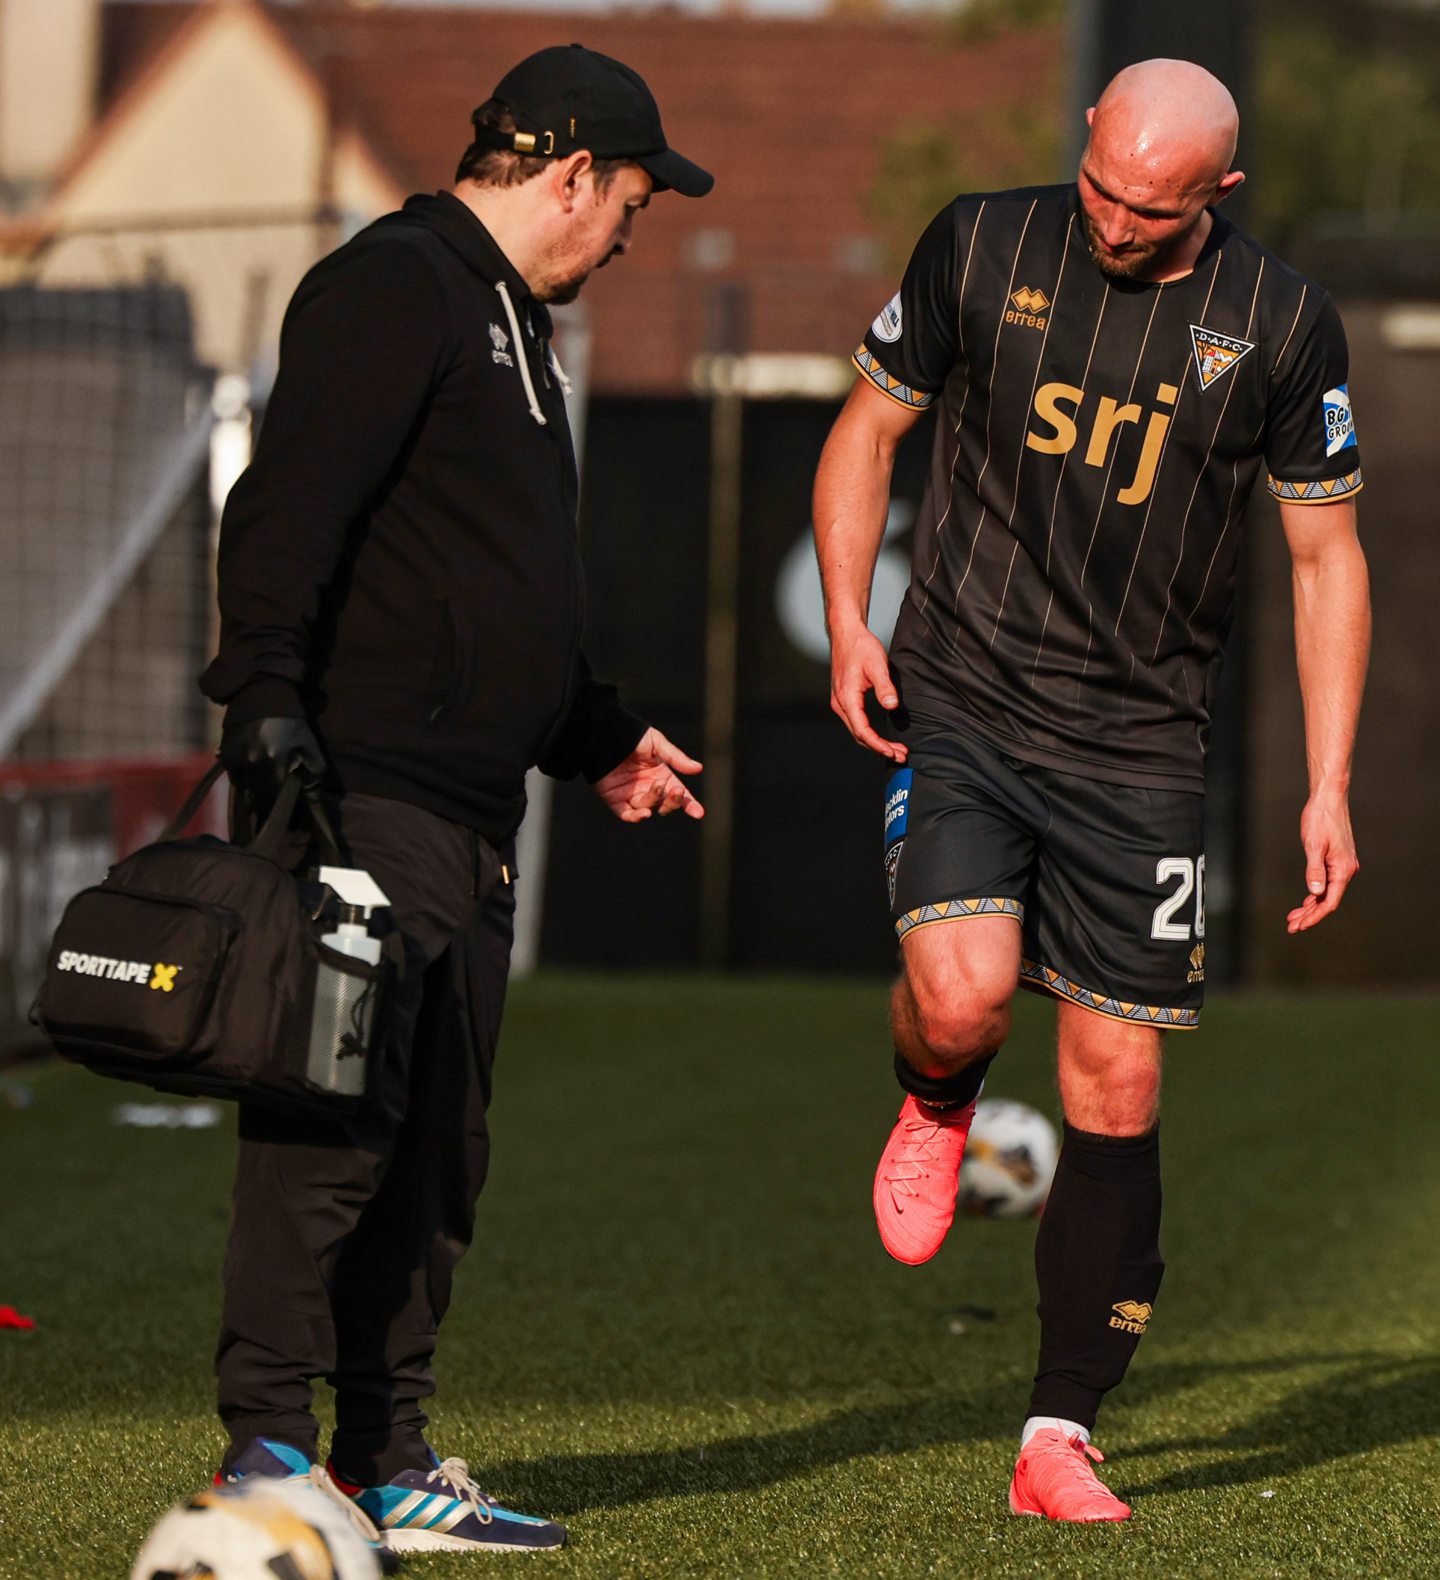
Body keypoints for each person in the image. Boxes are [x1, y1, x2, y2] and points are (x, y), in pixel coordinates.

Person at [812, 59, 1368, 1522]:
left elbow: (1326, 561)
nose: (1116, 220)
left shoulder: (1286, 325)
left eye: (1153, 205)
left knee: (1117, 1078)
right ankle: (937, 1101)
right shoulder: (981, 243)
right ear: (1085, 148)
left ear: (1219, 195)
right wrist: (853, 618)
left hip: (1142, 743)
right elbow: (866, 430)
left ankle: (1059, 1432)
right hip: (969, 696)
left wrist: (1329, 782)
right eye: (1104, 186)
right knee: (965, 997)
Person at [198, 44, 712, 1555]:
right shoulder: (395, 284)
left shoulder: (510, 322)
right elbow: (282, 513)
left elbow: (489, 589)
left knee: (437, 1153)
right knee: (330, 1133)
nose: (630, 231)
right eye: (629, 201)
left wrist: (595, 734)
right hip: (358, 796)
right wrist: (268, 709)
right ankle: (266, 1450)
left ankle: (385, 1457)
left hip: (469, 818)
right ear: (569, 178)